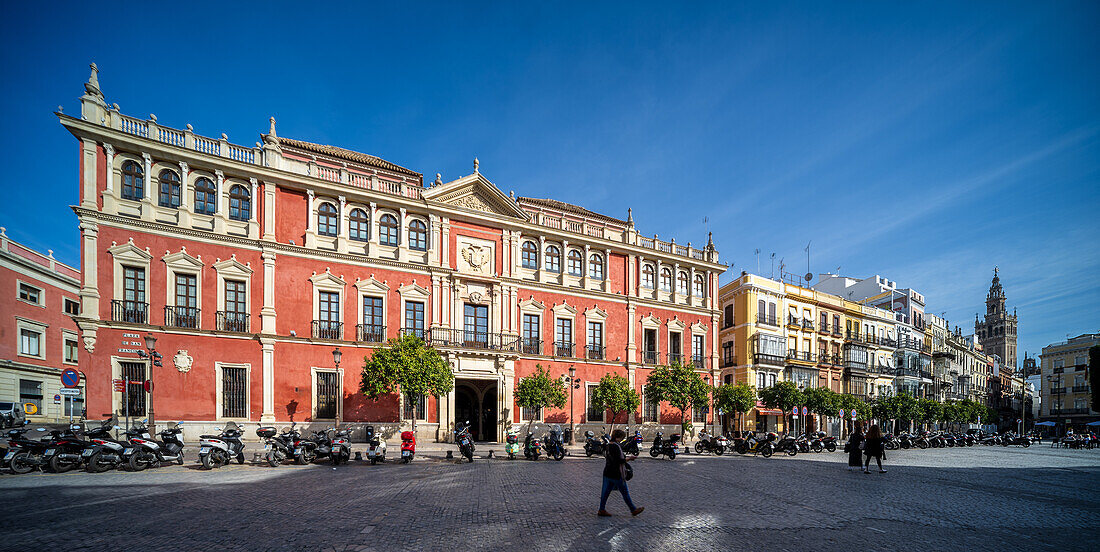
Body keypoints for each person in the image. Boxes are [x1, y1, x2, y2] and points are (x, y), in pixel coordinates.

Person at [598, 429, 643, 517]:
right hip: (616, 473)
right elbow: (619, 460)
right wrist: (629, 458)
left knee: (605, 492)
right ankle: (633, 509)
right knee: (624, 492)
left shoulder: (608, 445)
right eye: (622, 438)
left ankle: (601, 509)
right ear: (618, 437)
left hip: (607, 472)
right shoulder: (615, 446)